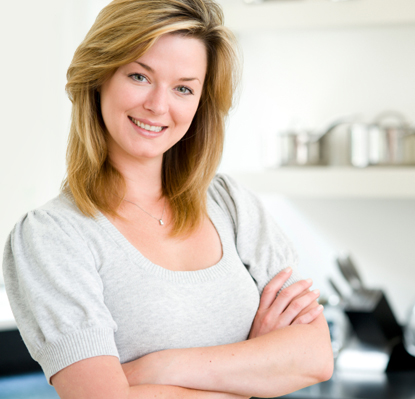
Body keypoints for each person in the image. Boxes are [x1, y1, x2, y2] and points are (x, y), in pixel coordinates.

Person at [2, 0, 333, 398]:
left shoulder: (230, 204)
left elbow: (316, 355)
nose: (158, 106)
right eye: (139, 76)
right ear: (99, 76)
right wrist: (253, 370)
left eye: (183, 88)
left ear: (200, 103)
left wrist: (158, 368)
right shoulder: (51, 236)